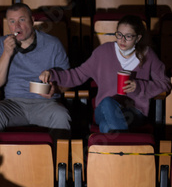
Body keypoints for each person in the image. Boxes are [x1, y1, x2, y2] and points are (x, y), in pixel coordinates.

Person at [39, 15, 172, 133]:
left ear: (138, 38)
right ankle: (125, 148)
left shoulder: (148, 56)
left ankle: (115, 151)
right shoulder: (103, 52)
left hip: (133, 112)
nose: (122, 40)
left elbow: (165, 83)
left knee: (106, 127)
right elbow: (77, 75)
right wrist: (52, 74)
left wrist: (139, 87)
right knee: (108, 102)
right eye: (119, 34)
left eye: (128, 36)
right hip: (103, 109)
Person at [0, 3, 71, 139]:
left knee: (61, 115)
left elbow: (68, 82)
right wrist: (6, 53)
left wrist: (55, 89)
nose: (17, 26)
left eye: (22, 20)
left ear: (33, 21)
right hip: (14, 104)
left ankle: (57, 159)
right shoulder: (2, 44)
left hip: (45, 104)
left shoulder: (53, 44)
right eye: (12, 21)